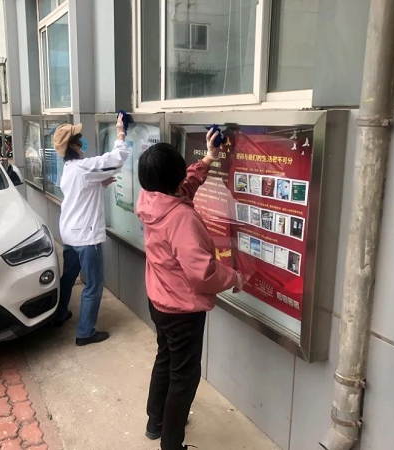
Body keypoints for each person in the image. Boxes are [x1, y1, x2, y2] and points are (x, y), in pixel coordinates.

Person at [136, 129, 243, 450]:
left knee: (166, 359)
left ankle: (155, 421)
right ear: (177, 174)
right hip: (181, 310)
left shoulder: (151, 199)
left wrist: (209, 157)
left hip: (159, 300)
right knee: (184, 377)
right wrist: (234, 278)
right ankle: (171, 443)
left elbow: (186, 186)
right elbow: (203, 273)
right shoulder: (181, 218)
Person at [53, 114, 129, 346]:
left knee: (69, 277)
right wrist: (120, 133)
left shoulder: (69, 168)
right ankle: (85, 333)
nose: (83, 141)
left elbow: (82, 191)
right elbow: (116, 160)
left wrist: (100, 184)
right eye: (79, 138)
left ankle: (59, 314)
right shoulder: (83, 167)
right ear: (74, 145)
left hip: (70, 234)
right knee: (93, 285)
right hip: (85, 238)